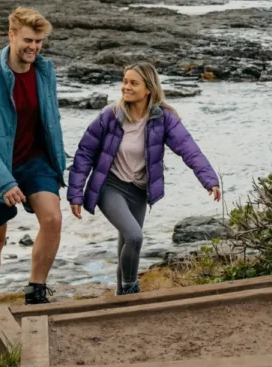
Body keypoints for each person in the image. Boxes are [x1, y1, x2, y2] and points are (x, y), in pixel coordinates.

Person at [67, 62, 221, 295]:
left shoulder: (164, 118)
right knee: (135, 236)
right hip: (110, 187)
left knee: (127, 244)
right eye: (125, 81)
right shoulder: (111, 115)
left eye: (133, 83)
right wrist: (75, 194)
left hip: (139, 190)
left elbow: (189, 149)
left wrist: (209, 180)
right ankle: (131, 288)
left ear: (148, 89)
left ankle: (122, 301)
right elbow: (85, 153)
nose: (125, 87)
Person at [0, 7, 67, 307]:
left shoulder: (45, 73)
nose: (33, 47)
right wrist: (4, 182)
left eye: (38, 41)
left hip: (35, 161)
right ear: (11, 36)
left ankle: (35, 292)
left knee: (52, 218)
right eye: (27, 40)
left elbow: (52, 120)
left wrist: (60, 163)